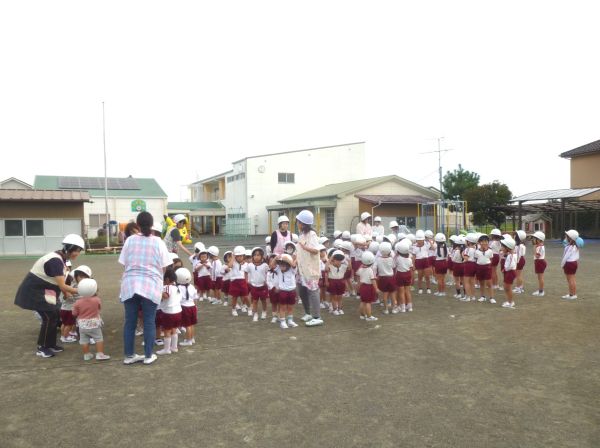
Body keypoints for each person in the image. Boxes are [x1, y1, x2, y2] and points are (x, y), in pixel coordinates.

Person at [15, 234, 85, 358]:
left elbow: (62, 283)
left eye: (79, 251)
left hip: (45, 291)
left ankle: (51, 344)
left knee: (54, 315)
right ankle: (42, 348)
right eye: (77, 250)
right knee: (48, 317)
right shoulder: (55, 260)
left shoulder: (62, 259)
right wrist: (81, 290)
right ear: (69, 248)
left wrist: (67, 293)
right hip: (34, 291)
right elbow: (63, 285)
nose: (77, 254)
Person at [119, 211, 172, 365]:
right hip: (150, 285)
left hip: (130, 284)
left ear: (138, 224)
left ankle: (129, 356)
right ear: (151, 224)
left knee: (130, 322)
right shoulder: (158, 242)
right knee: (149, 321)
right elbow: (165, 266)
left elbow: (124, 263)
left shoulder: (129, 241)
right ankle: (148, 355)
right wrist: (156, 276)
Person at [295, 210, 324, 327]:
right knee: (302, 290)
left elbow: (316, 250)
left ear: (303, 223)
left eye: (298, 221)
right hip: (301, 268)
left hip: (311, 269)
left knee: (313, 292)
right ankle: (308, 313)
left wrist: (304, 247)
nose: (297, 223)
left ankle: (317, 317)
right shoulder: (301, 235)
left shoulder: (312, 234)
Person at [72, 278, 110, 361]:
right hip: (94, 323)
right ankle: (100, 354)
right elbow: (99, 308)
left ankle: (86, 355)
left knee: (84, 340)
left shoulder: (77, 302)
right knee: (98, 338)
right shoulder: (97, 300)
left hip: (82, 324)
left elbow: (74, 313)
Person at [60, 265, 93, 343]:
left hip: (65, 308)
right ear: (77, 275)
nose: (83, 279)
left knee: (67, 323)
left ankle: (67, 335)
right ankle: (65, 337)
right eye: (82, 277)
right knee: (70, 324)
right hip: (69, 308)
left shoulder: (71, 280)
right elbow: (69, 294)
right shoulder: (70, 283)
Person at [156, 269, 182, 355]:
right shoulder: (177, 287)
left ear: (166, 279)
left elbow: (166, 296)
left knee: (167, 331)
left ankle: (167, 349)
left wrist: (159, 290)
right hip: (177, 311)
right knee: (174, 329)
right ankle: (174, 347)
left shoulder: (166, 287)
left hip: (168, 312)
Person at [273, 254, 298, 329]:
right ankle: (283, 321)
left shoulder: (292, 269)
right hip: (283, 292)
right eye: (280, 263)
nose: (282, 265)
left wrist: (288, 259)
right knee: (282, 307)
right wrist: (275, 259)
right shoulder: (278, 269)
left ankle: (290, 321)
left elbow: (293, 265)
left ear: (288, 264)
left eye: (284, 263)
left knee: (290, 307)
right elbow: (271, 265)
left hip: (292, 291)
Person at [176, 268, 198, 346]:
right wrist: (195, 306)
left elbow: (177, 299)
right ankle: (191, 338)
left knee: (187, 325)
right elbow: (195, 297)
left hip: (184, 307)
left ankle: (188, 341)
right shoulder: (191, 286)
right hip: (192, 306)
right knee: (191, 324)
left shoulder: (178, 288)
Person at [246, 247, 270, 322]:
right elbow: (246, 272)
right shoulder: (250, 265)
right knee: (255, 301)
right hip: (254, 286)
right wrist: (247, 280)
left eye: (258, 255)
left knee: (263, 300)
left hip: (263, 286)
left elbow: (268, 273)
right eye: (255, 255)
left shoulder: (265, 265)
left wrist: (267, 281)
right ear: (252, 256)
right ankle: (255, 314)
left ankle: (264, 312)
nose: (256, 257)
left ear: (262, 256)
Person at [374, 241, 396, 313]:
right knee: (392, 293)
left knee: (385, 294)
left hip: (382, 278)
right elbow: (393, 267)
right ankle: (393, 309)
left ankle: (386, 309)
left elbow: (375, 268)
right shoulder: (391, 259)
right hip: (391, 277)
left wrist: (375, 275)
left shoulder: (378, 259)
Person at [357, 251, 379, 321]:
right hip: (368, 287)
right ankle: (369, 316)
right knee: (368, 302)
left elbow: (357, 274)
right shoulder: (370, 270)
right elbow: (373, 280)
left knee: (363, 301)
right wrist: (376, 289)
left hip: (362, 286)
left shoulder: (360, 269)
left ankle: (362, 315)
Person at [325, 249, 348, 315]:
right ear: (333, 260)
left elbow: (349, 266)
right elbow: (326, 268)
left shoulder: (343, 266)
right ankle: (334, 309)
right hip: (332, 282)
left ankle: (340, 308)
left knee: (340, 297)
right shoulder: (330, 266)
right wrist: (331, 258)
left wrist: (345, 258)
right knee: (334, 296)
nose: (338, 262)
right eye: (336, 260)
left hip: (341, 282)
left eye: (339, 260)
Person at [228, 246, 249, 316]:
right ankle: (233, 309)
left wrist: (247, 281)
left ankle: (243, 306)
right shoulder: (233, 263)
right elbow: (229, 265)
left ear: (244, 256)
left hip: (243, 281)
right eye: (237, 256)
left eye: (241, 256)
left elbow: (247, 273)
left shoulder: (246, 264)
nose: (239, 257)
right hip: (234, 282)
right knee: (234, 297)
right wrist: (233, 257)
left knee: (244, 296)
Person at [394, 239, 414, 312]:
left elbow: (394, 265)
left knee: (401, 292)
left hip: (400, 274)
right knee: (408, 291)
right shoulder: (409, 259)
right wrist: (411, 277)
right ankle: (410, 306)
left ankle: (403, 308)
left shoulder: (398, 258)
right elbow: (411, 268)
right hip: (408, 274)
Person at [474, 234, 494, 304]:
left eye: (486, 241)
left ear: (488, 242)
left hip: (487, 267)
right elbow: (476, 259)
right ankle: (483, 296)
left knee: (489, 283)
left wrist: (488, 265)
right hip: (479, 267)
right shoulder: (476, 251)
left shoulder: (490, 251)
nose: (484, 243)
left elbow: (491, 259)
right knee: (481, 283)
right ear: (479, 243)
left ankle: (491, 297)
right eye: (482, 241)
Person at [561, 229, 580, 300]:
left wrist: (562, 265)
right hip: (574, 263)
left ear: (570, 238)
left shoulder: (568, 247)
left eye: (567, 236)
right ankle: (573, 294)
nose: (566, 237)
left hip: (569, 264)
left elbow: (565, 257)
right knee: (573, 279)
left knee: (570, 280)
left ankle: (572, 295)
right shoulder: (576, 246)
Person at [500, 234, 517, 308]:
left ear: (507, 247)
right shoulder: (510, 254)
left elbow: (509, 266)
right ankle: (509, 301)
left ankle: (510, 302)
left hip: (510, 272)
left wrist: (505, 269)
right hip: (509, 272)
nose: (501, 248)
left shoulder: (511, 255)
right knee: (506, 287)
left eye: (503, 246)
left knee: (508, 288)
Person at [531, 231, 546, 297]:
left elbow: (537, 256)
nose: (533, 240)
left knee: (540, 278)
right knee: (539, 277)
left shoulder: (540, 247)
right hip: (539, 262)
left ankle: (541, 291)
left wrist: (534, 247)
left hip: (540, 262)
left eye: (535, 238)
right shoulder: (539, 246)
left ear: (539, 239)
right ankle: (540, 290)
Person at [513, 230, 527, 294]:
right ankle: (520, 287)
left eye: (516, 235)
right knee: (519, 274)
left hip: (519, 260)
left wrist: (516, 262)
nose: (514, 236)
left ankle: (518, 288)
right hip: (521, 259)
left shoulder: (519, 246)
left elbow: (518, 255)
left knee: (518, 275)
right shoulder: (522, 245)